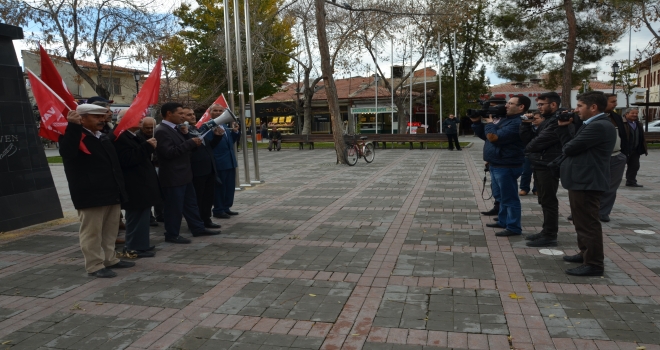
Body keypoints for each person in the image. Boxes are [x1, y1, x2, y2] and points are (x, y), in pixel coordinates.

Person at [59, 104, 134, 278]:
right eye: (96, 116)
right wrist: (73, 126)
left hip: (111, 191)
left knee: (110, 230)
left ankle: (110, 259)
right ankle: (94, 265)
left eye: (103, 116)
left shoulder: (102, 136)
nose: (102, 120)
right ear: (82, 118)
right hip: (90, 193)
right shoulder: (73, 136)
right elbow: (68, 153)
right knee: (92, 232)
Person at [557, 91, 616, 276]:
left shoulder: (598, 126)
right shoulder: (593, 124)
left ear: (593, 107)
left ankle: (594, 264)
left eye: (580, 106)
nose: (576, 110)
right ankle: (585, 253)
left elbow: (570, 147)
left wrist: (563, 130)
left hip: (588, 181)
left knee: (588, 224)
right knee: (581, 221)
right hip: (583, 180)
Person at [154, 102, 221, 244]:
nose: (183, 117)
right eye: (180, 114)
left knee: (191, 204)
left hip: (185, 174)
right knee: (174, 207)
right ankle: (172, 234)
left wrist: (188, 138)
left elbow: (186, 149)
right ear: (169, 114)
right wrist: (190, 142)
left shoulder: (177, 129)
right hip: (173, 177)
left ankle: (198, 228)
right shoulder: (162, 130)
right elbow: (169, 153)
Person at [472, 96, 529, 237]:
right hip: (496, 163)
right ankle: (503, 221)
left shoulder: (517, 123)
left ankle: (514, 227)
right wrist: (477, 122)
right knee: (502, 196)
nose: (506, 106)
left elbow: (494, 137)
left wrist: (490, 123)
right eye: (507, 103)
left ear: (521, 107)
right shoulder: (505, 119)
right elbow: (486, 136)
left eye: (510, 103)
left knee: (510, 198)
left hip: (507, 165)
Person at [113, 111, 161, 258]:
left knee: (143, 216)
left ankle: (142, 244)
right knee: (135, 216)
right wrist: (147, 147)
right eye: (137, 118)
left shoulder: (133, 135)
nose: (140, 120)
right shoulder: (120, 137)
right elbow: (127, 159)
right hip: (134, 184)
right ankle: (133, 247)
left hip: (143, 183)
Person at [520, 92, 562, 247]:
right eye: (538, 105)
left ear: (553, 104)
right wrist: (525, 125)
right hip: (540, 163)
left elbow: (537, 142)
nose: (539, 108)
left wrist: (529, 150)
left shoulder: (557, 120)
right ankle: (546, 231)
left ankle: (550, 235)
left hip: (548, 165)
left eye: (541, 104)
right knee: (544, 200)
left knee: (549, 200)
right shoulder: (548, 120)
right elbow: (529, 140)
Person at [184, 106, 225, 228]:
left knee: (208, 197)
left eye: (193, 114)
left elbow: (208, 147)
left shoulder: (196, 129)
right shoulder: (184, 131)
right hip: (197, 170)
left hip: (209, 168)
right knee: (198, 198)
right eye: (188, 115)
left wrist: (217, 137)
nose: (192, 116)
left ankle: (206, 219)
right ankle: (198, 222)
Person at [597, 94, 630, 223]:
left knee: (611, 187)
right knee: (591, 186)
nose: (615, 104)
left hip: (616, 157)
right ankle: (585, 211)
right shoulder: (590, 118)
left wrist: (624, 155)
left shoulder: (616, 117)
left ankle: (603, 212)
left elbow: (624, 136)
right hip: (598, 158)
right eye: (613, 102)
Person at [213, 121, 241, 219]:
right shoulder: (208, 126)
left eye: (220, 111)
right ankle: (218, 209)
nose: (218, 113)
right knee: (220, 187)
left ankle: (226, 207)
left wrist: (235, 132)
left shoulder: (224, 126)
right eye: (215, 110)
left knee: (230, 186)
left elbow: (230, 142)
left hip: (230, 161)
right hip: (219, 162)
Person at [137, 117, 162, 226]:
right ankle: (149, 217)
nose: (149, 130)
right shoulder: (138, 137)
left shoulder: (158, 134)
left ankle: (160, 214)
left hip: (158, 166)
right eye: (146, 128)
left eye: (152, 128)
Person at [623, 108, 647, 187]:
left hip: (635, 150)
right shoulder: (622, 123)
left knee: (635, 166)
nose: (635, 115)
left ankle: (631, 181)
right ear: (626, 114)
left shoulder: (638, 124)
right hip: (624, 150)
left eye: (636, 113)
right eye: (632, 113)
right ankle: (612, 181)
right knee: (619, 167)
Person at [519, 112, 539, 196]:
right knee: (526, 172)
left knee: (538, 173)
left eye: (536, 118)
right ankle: (524, 188)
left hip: (539, 153)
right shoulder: (528, 127)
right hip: (528, 153)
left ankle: (537, 189)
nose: (534, 120)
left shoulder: (545, 127)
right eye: (533, 118)